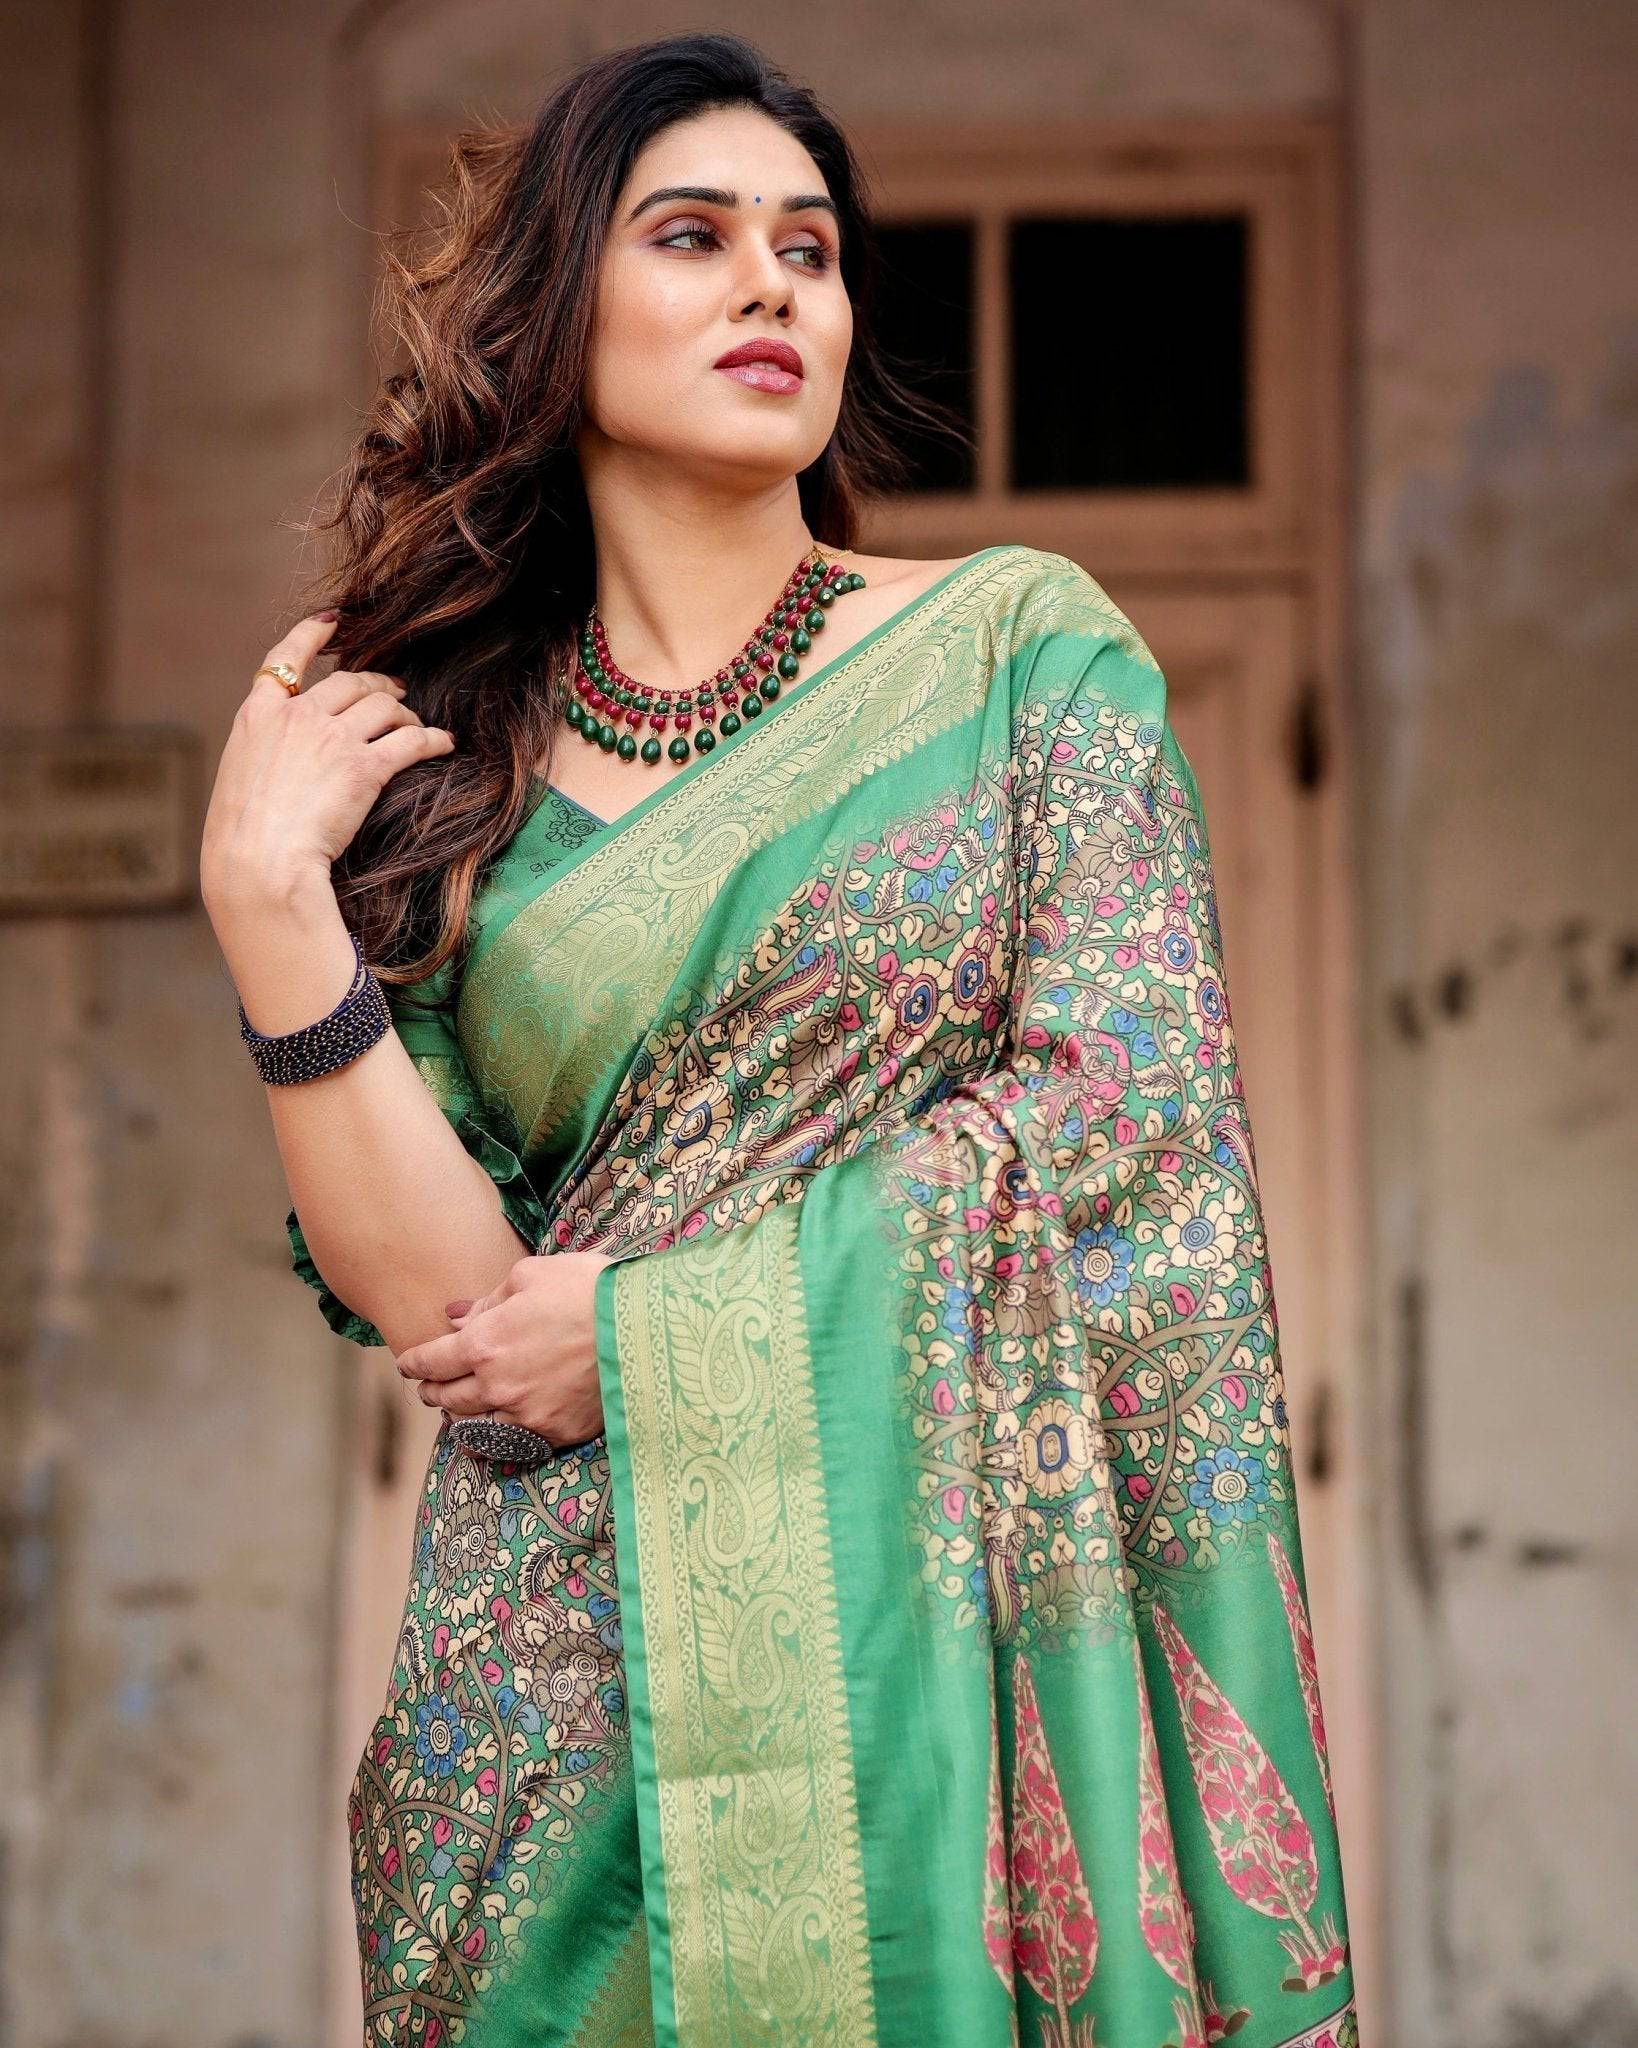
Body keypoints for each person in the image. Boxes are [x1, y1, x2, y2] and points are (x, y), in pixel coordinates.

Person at [200, 30, 1357, 2048]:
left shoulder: (1016, 655)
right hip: (563, 1710)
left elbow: (1123, 1113)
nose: (772, 284)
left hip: (937, 1662)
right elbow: (455, 1313)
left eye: (809, 250)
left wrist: (653, 1334)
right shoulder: (449, 786)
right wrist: (267, 905)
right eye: (694, 236)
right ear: (555, 317)